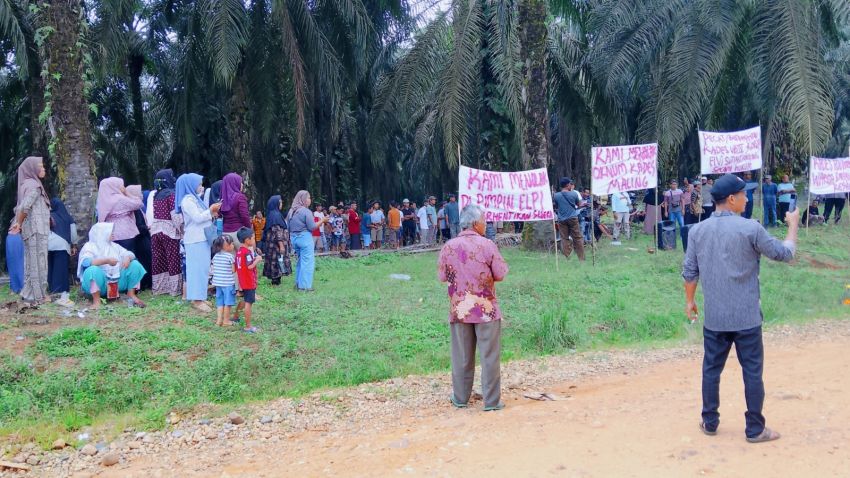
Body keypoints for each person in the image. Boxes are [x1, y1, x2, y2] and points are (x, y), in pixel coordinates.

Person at [683, 173, 798, 444]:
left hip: (715, 318)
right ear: (732, 199)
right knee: (752, 372)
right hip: (747, 318)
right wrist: (793, 226)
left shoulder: (697, 231)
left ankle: (710, 422)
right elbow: (784, 254)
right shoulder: (751, 229)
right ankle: (755, 429)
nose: (747, 199)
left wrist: (690, 301)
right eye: (744, 194)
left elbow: (689, 272)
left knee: (711, 370)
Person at [438, 204, 508, 412]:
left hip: (460, 310)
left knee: (461, 356)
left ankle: (460, 398)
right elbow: (500, 274)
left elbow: (442, 276)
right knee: (489, 356)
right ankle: (491, 402)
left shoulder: (449, 246)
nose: (486, 224)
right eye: (484, 221)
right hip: (486, 310)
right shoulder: (487, 245)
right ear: (476, 223)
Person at [176, 173, 221, 313]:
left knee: (203, 269)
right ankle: (196, 299)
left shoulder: (194, 199)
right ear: (190, 185)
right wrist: (210, 210)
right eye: (199, 184)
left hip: (201, 238)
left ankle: (200, 296)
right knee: (196, 270)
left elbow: (203, 216)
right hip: (195, 239)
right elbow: (197, 218)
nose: (201, 187)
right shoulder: (187, 200)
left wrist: (212, 212)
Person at [77, 222, 147, 309]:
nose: (113, 233)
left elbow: (128, 253)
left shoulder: (114, 246)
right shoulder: (89, 246)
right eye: (110, 232)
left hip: (117, 282)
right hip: (101, 284)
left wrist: (127, 257)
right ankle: (96, 300)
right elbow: (86, 262)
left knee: (135, 265)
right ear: (102, 233)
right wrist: (106, 261)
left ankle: (131, 294)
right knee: (92, 271)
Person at [11, 156, 51, 304]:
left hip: (30, 230)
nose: (43, 169)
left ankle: (28, 293)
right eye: (40, 166)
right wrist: (19, 223)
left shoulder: (25, 185)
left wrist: (19, 223)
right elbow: (24, 207)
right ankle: (39, 296)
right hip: (37, 229)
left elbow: (20, 207)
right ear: (32, 169)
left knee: (30, 262)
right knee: (40, 263)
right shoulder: (34, 186)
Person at [149, 169, 184, 297]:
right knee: (173, 259)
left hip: (156, 230)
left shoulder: (156, 195)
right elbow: (175, 216)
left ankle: (159, 288)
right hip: (169, 231)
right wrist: (182, 230)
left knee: (159, 259)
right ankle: (174, 289)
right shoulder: (171, 195)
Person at [288, 190, 327, 291]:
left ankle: (298, 283)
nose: (310, 200)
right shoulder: (306, 211)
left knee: (300, 261)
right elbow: (312, 227)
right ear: (303, 199)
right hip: (304, 238)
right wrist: (322, 220)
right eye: (308, 198)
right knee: (307, 262)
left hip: (294, 238)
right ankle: (305, 286)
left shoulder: (291, 211)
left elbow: (288, 226)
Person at [97, 177, 143, 256]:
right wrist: (127, 193)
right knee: (128, 257)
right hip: (125, 233)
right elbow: (139, 203)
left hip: (110, 233)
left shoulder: (102, 201)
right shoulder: (120, 199)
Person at [47, 197, 78, 294]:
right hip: (62, 245)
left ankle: (50, 287)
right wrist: (74, 245)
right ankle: (59, 290)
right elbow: (73, 233)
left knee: (50, 267)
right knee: (60, 268)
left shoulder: (48, 216)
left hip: (47, 245)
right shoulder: (67, 217)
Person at [234, 227, 261, 333]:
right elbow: (250, 266)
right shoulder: (247, 252)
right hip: (249, 281)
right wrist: (257, 260)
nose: (254, 240)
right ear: (247, 240)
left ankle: (236, 316)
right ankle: (248, 327)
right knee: (249, 303)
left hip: (243, 281)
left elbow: (238, 267)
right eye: (253, 238)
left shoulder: (239, 252)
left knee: (245, 299)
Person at [126, 186, 152, 291]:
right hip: (140, 239)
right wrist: (147, 228)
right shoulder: (134, 209)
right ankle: (144, 283)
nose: (141, 195)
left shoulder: (139, 208)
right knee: (144, 260)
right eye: (139, 193)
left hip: (143, 237)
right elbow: (137, 225)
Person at [553, 177, 585, 260]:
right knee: (577, 238)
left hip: (561, 219)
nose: (571, 185)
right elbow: (578, 205)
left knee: (564, 238)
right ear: (567, 185)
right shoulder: (574, 194)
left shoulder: (556, 195)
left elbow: (556, 206)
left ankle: (568, 257)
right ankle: (581, 258)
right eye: (570, 184)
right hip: (572, 218)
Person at [262, 195, 291, 285]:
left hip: (272, 244)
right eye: (280, 202)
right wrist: (281, 245)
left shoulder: (272, 214)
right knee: (276, 261)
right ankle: (276, 281)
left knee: (275, 260)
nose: (281, 204)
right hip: (276, 245)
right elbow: (277, 230)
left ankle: (276, 279)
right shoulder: (275, 215)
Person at [211, 235, 237, 327]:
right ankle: (226, 321)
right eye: (232, 244)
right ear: (226, 246)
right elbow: (233, 270)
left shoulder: (215, 256)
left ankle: (218, 321)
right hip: (228, 283)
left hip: (218, 283)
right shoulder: (230, 256)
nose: (233, 245)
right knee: (228, 303)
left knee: (220, 302)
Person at [6, 219, 25, 294]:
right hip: (13, 237)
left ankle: (20, 286)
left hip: (17, 237)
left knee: (19, 263)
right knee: (13, 263)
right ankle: (15, 286)